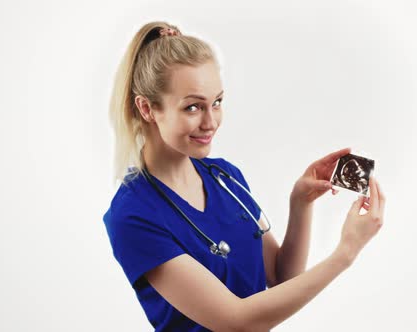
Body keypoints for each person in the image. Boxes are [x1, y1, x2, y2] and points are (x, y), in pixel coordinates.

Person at [103, 21, 386, 332]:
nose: (211, 122)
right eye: (193, 107)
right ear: (147, 108)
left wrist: (300, 203)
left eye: (217, 102)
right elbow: (236, 321)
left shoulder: (226, 177)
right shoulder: (132, 216)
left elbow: (281, 279)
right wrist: (345, 254)